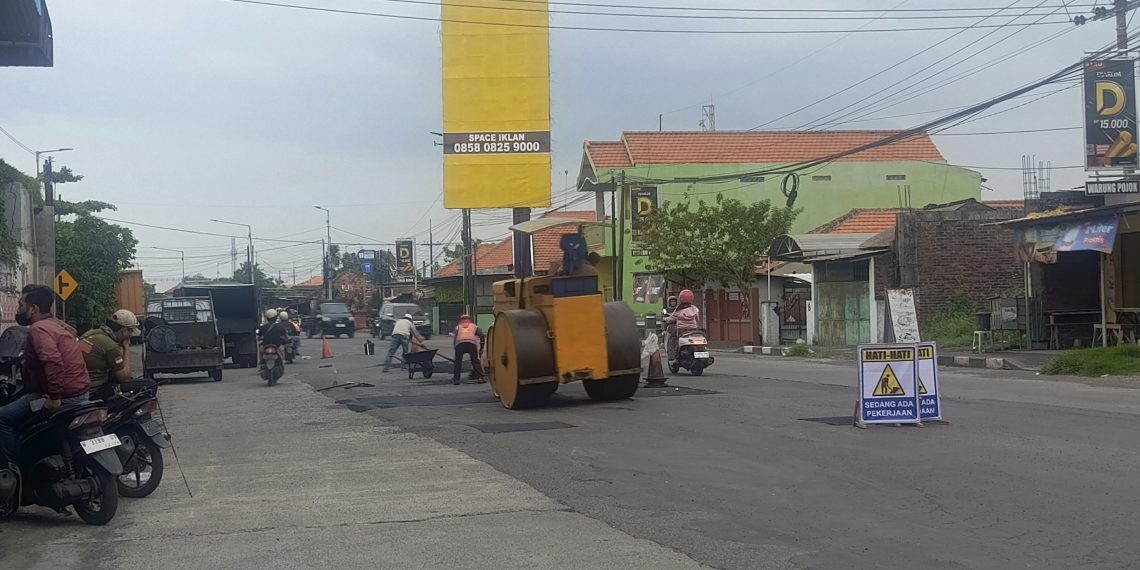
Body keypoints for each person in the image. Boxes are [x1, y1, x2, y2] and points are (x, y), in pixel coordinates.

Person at [0, 285, 91, 468]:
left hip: (62, 397)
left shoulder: (38, 329)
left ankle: (15, 470)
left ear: (33, 308)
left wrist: (55, 397)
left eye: (21, 305)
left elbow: (52, 361)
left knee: (2, 418)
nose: (18, 309)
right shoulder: (60, 326)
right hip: (82, 394)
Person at [80, 309, 141, 401]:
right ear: (124, 330)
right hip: (94, 390)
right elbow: (125, 377)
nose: (131, 335)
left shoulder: (91, 334)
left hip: (82, 386)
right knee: (147, 385)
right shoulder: (110, 346)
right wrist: (126, 347)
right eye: (131, 331)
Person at [664, 289, 700, 358]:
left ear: (680, 298)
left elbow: (671, 319)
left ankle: (673, 354)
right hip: (693, 329)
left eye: (674, 301)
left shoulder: (678, 309)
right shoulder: (694, 308)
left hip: (681, 329)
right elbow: (697, 318)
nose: (673, 303)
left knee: (673, 339)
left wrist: (665, 319)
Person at [449, 315, 485, 386]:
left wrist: (455, 347)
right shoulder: (474, 326)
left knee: (458, 362)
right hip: (471, 344)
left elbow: (455, 338)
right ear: (470, 320)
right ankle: (480, 377)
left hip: (460, 344)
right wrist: (481, 347)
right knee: (475, 360)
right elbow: (481, 335)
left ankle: (456, 379)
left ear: (460, 320)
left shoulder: (458, 327)